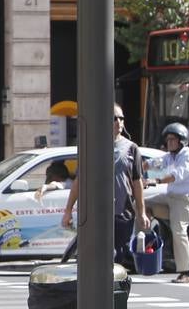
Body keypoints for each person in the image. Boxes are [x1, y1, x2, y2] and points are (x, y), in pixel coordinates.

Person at [61, 105, 148, 263]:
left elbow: (137, 183)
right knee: (97, 257)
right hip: (96, 213)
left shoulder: (132, 148)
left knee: (119, 256)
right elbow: (79, 180)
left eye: (121, 118)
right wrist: (68, 210)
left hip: (122, 213)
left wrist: (141, 212)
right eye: (114, 118)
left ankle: (114, 286)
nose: (118, 122)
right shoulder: (92, 146)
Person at [152, 121, 189, 283]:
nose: (169, 142)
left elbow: (176, 175)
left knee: (179, 230)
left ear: (182, 141)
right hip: (171, 198)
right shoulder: (170, 156)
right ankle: (145, 235)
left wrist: (156, 180)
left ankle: (187, 272)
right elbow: (154, 164)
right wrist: (136, 167)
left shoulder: (187, 155)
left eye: (173, 139)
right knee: (141, 203)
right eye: (167, 140)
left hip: (185, 199)